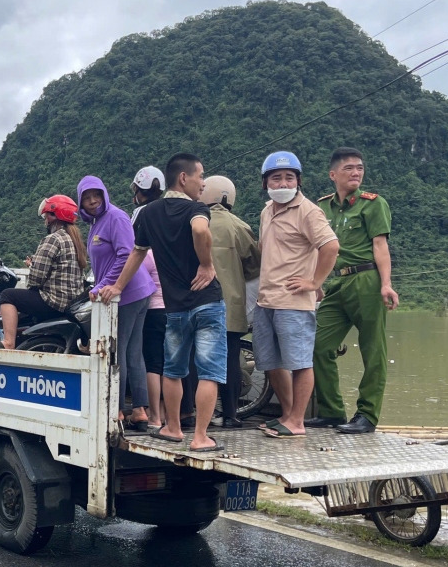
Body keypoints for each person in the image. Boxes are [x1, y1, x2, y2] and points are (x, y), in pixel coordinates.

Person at [97, 153, 226, 452]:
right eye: (200, 176)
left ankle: (173, 429)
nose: (203, 183)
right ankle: (201, 437)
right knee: (208, 370)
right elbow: (198, 229)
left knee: (173, 369)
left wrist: (116, 286)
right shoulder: (197, 208)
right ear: (184, 178)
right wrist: (206, 265)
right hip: (206, 301)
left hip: (175, 307)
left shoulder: (149, 213)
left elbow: (137, 253)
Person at [307, 147, 399, 434]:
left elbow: (380, 245)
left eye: (359, 168)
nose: (356, 172)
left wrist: (386, 284)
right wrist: (317, 282)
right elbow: (316, 249)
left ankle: (367, 415)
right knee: (318, 345)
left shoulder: (373, 204)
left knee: (373, 350)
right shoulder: (322, 207)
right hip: (336, 282)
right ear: (333, 174)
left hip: (366, 280)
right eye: (349, 168)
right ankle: (332, 411)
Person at [253, 152, 339, 439]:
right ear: (265, 182)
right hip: (266, 299)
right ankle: (288, 415)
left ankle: (297, 422)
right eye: (276, 177)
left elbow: (330, 246)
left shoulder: (309, 211)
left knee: (300, 362)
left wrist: (314, 281)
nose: (283, 182)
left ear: (299, 181)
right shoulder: (267, 211)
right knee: (271, 362)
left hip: (294, 302)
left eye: (289, 177)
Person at [80, 176, 156, 428]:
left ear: (104, 194)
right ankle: (140, 411)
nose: (93, 201)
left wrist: (104, 286)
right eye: (87, 198)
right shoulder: (96, 222)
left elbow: (126, 254)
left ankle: (117, 410)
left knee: (118, 351)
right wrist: (98, 284)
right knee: (133, 351)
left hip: (129, 293)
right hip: (131, 293)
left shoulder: (116, 217)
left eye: (96, 195)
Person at [201, 175, 260, 428]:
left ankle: (193, 414)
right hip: (231, 305)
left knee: (197, 358)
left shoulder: (194, 222)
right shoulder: (239, 226)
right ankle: (231, 415)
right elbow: (255, 265)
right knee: (231, 359)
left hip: (198, 301)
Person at [0, 195, 87, 350]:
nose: (45, 220)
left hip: (54, 301)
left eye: (46, 216)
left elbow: (36, 279)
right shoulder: (75, 240)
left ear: (55, 216)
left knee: (8, 295)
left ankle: (8, 342)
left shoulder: (53, 239)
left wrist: (33, 268)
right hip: (72, 302)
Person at [131, 166, 170, 433]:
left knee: (152, 363)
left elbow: (134, 264)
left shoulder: (141, 218)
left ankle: (153, 415)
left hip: (152, 306)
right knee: (172, 364)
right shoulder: (172, 212)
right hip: (175, 305)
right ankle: (168, 416)